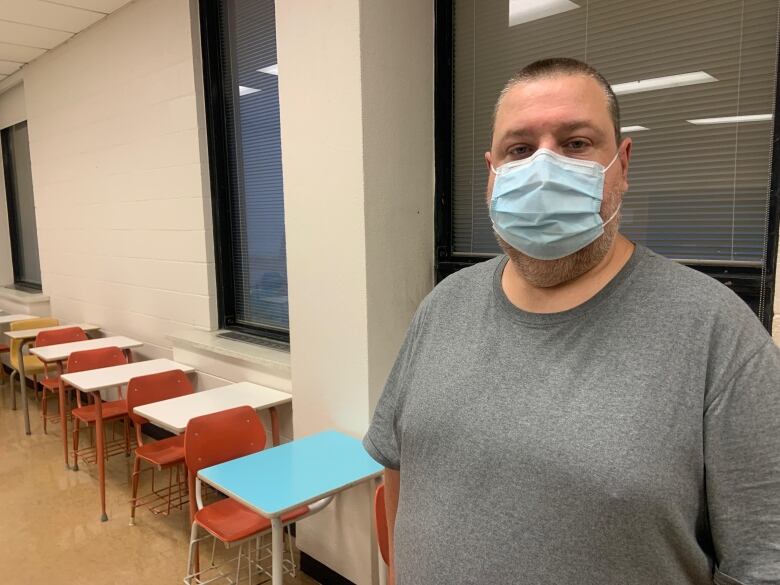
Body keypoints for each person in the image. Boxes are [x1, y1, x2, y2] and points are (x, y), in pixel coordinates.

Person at [363, 58, 780, 585]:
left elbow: (763, 562)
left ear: (622, 165)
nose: (543, 167)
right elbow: (399, 464)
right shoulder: (443, 306)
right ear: (492, 173)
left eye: (576, 144)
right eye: (519, 149)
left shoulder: (718, 335)